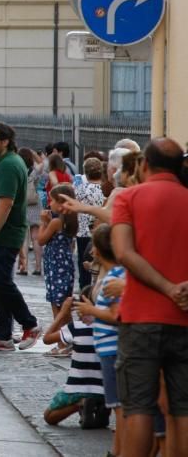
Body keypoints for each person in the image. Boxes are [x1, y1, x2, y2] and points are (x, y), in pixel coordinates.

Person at [110, 138, 188, 455]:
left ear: (144, 165)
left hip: (141, 316)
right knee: (183, 408)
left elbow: (124, 253)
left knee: (138, 407)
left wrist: (166, 287)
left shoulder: (128, 198)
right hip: (184, 318)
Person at [0, 123, 42, 352]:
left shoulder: (9, 165)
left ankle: (30, 324)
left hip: (4, 235)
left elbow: (6, 202)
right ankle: (3, 335)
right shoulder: (4, 163)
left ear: (5, 141)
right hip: (1, 235)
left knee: (0, 282)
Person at [75, 224, 126, 457]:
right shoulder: (116, 276)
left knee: (118, 405)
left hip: (110, 347)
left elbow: (116, 315)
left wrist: (91, 310)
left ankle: (118, 449)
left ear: (98, 250)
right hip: (109, 345)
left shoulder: (112, 280)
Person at [41, 291, 104, 426]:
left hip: (77, 388)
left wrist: (63, 313)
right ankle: (100, 408)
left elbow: (47, 339)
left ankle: (81, 404)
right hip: (105, 389)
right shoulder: (109, 327)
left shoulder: (76, 328)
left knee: (49, 417)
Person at [36, 184, 78, 324]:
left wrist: (43, 222)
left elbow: (41, 240)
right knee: (64, 305)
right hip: (64, 265)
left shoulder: (56, 222)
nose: (49, 203)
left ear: (61, 204)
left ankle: (61, 340)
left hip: (55, 267)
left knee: (56, 305)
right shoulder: (69, 221)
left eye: (52, 200)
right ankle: (67, 338)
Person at [74, 157, 105, 289]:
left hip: (83, 232)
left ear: (86, 173)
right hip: (100, 232)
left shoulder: (81, 189)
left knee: (83, 266)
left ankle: (84, 291)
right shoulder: (106, 189)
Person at [17, 147, 44, 276]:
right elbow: (43, 164)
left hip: (21, 204)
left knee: (23, 238)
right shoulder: (34, 172)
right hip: (35, 204)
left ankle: (24, 266)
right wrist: (34, 153)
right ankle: (38, 267)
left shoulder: (17, 171)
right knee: (36, 236)